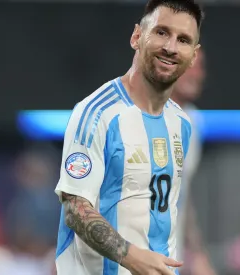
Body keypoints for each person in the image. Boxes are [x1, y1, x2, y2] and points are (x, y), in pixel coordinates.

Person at [54, 0, 204, 274]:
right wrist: (131, 257)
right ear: (137, 36)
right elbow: (75, 208)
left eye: (183, 40)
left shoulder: (182, 123)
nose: (170, 47)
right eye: (161, 32)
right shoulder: (96, 114)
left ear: (193, 55)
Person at [171, 48, 217, 275]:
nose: (197, 74)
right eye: (190, 66)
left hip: (169, 260)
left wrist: (198, 253)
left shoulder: (193, 121)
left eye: (200, 66)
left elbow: (181, 194)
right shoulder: (133, 117)